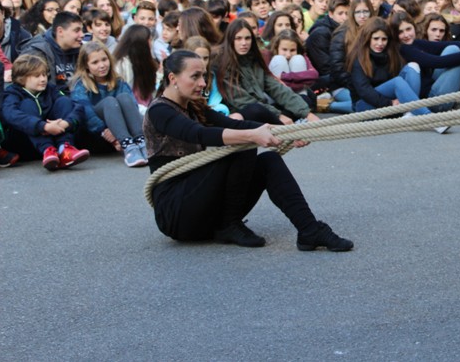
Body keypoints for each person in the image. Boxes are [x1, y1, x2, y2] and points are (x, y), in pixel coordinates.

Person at [142, 50, 353, 249]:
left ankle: (309, 230)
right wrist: (253, 136)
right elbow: (197, 133)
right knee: (242, 144)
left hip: (204, 209)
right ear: (172, 78)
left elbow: (235, 125)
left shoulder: (194, 107)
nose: (203, 83)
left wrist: (284, 132)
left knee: (268, 161)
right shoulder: (160, 110)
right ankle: (229, 224)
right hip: (178, 215)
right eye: (195, 76)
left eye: (204, 76)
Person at [1, 54, 90, 169]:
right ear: (22, 79)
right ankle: (47, 150)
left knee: (63, 101)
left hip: (54, 136)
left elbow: (76, 106)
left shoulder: (50, 89)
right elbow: (11, 114)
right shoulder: (12, 93)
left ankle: (64, 149)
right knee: (27, 105)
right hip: (25, 143)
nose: (43, 79)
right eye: (37, 76)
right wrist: (42, 126)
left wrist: (67, 123)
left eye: (44, 74)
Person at [69, 41, 147, 167]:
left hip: (122, 133)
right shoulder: (81, 85)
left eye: (104, 60)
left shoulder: (119, 82)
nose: (102, 65)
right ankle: (129, 147)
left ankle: (141, 141)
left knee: (125, 98)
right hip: (97, 135)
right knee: (110, 102)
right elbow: (85, 112)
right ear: (86, 66)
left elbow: (132, 107)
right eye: (95, 62)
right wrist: (105, 131)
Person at [20, 11, 83, 93]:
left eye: (82, 30)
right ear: (60, 31)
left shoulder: (81, 50)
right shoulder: (37, 52)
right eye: (76, 30)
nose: (82, 35)